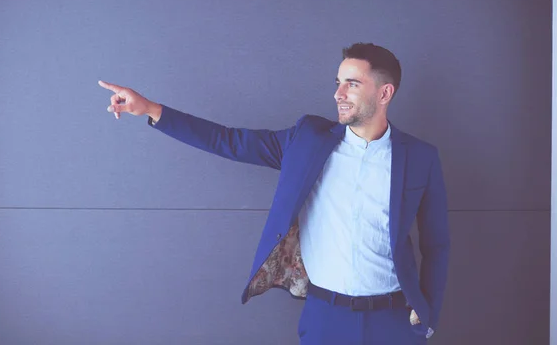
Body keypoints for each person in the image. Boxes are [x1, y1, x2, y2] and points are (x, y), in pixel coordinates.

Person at [99, 43, 450, 344]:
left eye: (352, 84)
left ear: (384, 93)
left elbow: (436, 245)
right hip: (324, 317)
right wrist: (150, 109)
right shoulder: (307, 140)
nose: (338, 94)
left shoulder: (420, 157)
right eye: (338, 82)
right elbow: (229, 141)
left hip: (392, 319)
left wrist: (428, 315)